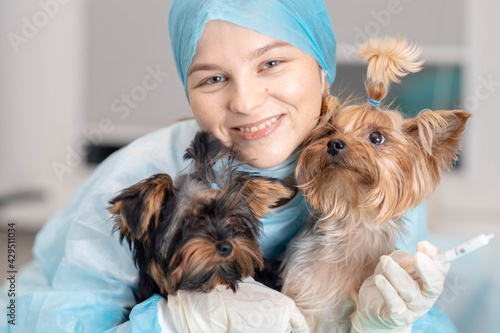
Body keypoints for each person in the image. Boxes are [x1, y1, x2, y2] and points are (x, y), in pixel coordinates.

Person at [0, 0, 456, 332]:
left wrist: (386, 325)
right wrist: (166, 322)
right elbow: (60, 321)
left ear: (321, 70)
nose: (245, 101)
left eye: (272, 63)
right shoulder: (136, 174)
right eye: (213, 78)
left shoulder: (376, 183)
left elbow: (425, 317)